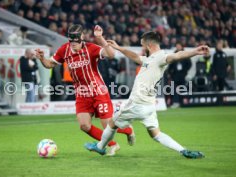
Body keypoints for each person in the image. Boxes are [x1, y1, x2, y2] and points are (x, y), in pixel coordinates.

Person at [85, 31, 209, 159]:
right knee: (156, 134)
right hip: (149, 106)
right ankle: (184, 151)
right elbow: (135, 57)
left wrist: (195, 51)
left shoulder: (161, 57)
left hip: (136, 103)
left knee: (112, 123)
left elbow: (177, 55)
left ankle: (100, 147)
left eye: (143, 45)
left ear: (149, 44)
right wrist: (119, 47)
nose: (142, 48)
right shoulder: (150, 59)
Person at [35, 24, 135, 156]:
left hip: (98, 92)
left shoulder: (91, 48)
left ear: (82, 37)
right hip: (82, 94)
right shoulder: (64, 50)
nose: (73, 43)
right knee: (84, 126)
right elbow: (49, 64)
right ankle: (113, 145)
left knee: (107, 127)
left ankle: (128, 130)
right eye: (71, 40)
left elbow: (111, 54)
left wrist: (100, 38)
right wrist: (42, 58)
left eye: (76, 40)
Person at [167, 42, 192, 107]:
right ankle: (176, 102)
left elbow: (189, 64)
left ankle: (183, 102)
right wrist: (169, 72)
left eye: (179, 46)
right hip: (175, 75)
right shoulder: (173, 55)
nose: (178, 47)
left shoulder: (185, 54)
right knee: (174, 90)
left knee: (183, 89)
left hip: (182, 75)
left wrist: (185, 71)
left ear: (181, 47)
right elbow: (170, 65)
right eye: (177, 46)